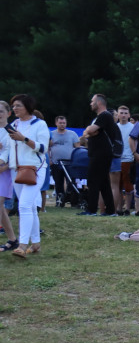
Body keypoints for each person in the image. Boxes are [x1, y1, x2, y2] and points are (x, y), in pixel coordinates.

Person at [7, 95, 51, 258]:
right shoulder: (13, 124)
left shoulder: (40, 124)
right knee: (30, 207)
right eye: (13, 106)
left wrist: (24, 139)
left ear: (27, 107)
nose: (15, 108)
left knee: (24, 206)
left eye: (18, 105)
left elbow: (43, 148)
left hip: (35, 169)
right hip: (16, 170)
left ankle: (22, 245)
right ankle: (36, 243)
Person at [79, 93, 119, 216]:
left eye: (92, 101)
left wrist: (90, 131)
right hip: (99, 154)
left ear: (99, 103)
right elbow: (88, 133)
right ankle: (110, 211)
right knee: (103, 183)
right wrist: (90, 132)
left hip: (101, 154)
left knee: (93, 180)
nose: (91, 103)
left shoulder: (104, 115)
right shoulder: (99, 118)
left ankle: (91, 210)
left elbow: (90, 131)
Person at [48, 115, 80, 213]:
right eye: (60, 123)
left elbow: (77, 147)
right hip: (56, 163)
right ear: (56, 123)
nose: (62, 125)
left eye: (64, 123)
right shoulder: (51, 134)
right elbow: (47, 147)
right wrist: (49, 160)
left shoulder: (72, 134)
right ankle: (59, 200)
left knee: (71, 182)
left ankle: (73, 200)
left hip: (69, 163)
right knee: (58, 183)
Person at [0, 101, 16, 252]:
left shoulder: (11, 130)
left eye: (1, 111)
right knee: (1, 209)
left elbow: (13, 153)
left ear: (8, 113)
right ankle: (12, 239)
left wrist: (3, 165)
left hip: (5, 171)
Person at [113, 105, 134, 214]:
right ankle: (119, 207)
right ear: (118, 114)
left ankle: (128, 208)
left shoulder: (133, 127)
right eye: (121, 113)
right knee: (118, 185)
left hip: (128, 158)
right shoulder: (115, 127)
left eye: (126, 113)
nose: (123, 115)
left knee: (128, 185)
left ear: (129, 115)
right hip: (117, 159)